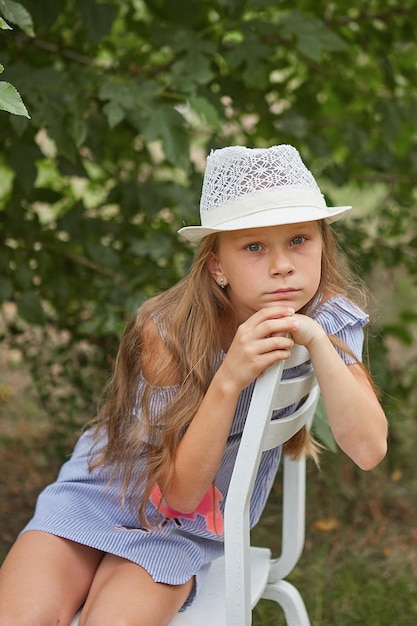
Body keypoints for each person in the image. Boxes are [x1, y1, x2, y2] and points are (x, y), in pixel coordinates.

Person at [0, 144, 387, 626]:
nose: (282, 265)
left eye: (299, 240)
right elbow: (173, 486)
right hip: (103, 494)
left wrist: (318, 342)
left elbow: (369, 449)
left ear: (323, 245)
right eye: (253, 247)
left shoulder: (329, 317)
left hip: (179, 529)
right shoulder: (168, 331)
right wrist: (229, 377)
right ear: (217, 266)